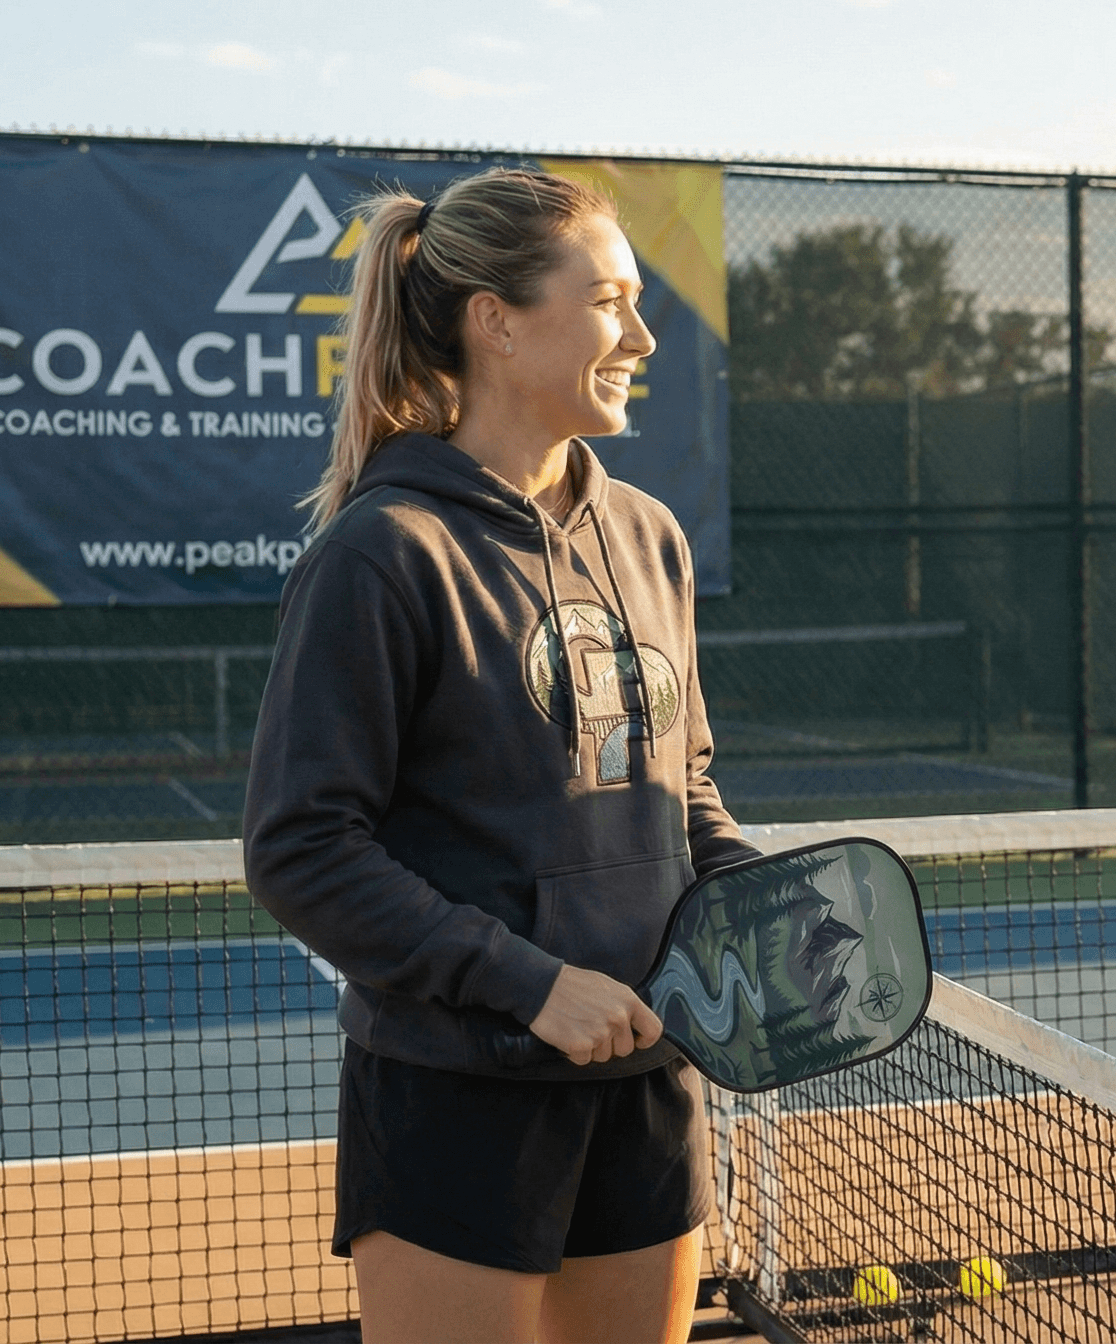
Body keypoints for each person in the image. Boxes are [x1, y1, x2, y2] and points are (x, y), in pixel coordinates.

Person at [242, 167, 755, 1344]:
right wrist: (529, 985)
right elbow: (300, 848)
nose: (641, 334)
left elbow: (683, 790)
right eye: (609, 300)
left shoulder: (650, 537)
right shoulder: (382, 554)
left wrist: (754, 901)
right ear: (498, 320)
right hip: (456, 1099)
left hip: (649, 1089)